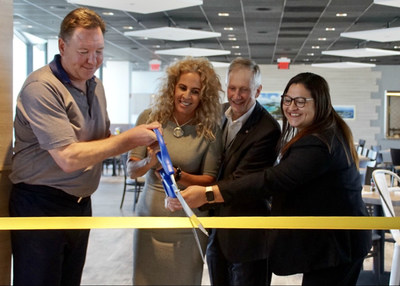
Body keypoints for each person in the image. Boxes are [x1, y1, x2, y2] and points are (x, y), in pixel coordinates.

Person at [9, 8, 160, 286]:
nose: (93, 61)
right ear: (62, 46)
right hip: (41, 205)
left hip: (79, 204)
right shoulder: (41, 87)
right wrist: (129, 139)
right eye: (83, 52)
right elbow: (67, 157)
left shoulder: (95, 85)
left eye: (99, 51)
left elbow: (100, 141)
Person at [177, 72, 372, 285]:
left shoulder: (316, 143)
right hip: (336, 243)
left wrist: (209, 193)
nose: (291, 107)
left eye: (300, 101)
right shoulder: (324, 131)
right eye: (287, 100)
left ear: (320, 102)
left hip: (336, 247)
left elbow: (271, 180)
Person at [127, 57, 223, 285]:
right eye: (182, 87)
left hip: (189, 225)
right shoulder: (149, 118)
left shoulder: (210, 129)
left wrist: (179, 175)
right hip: (150, 222)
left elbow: (209, 179)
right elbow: (132, 170)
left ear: (204, 96)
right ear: (172, 87)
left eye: (195, 91)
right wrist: (150, 161)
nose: (187, 96)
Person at [202, 58, 280, 285]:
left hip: (248, 238)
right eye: (232, 88)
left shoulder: (268, 129)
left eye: (244, 90)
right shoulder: (218, 113)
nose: (236, 95)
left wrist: (202, 193)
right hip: (217, 230)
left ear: (258, 90)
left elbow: (242, 181)